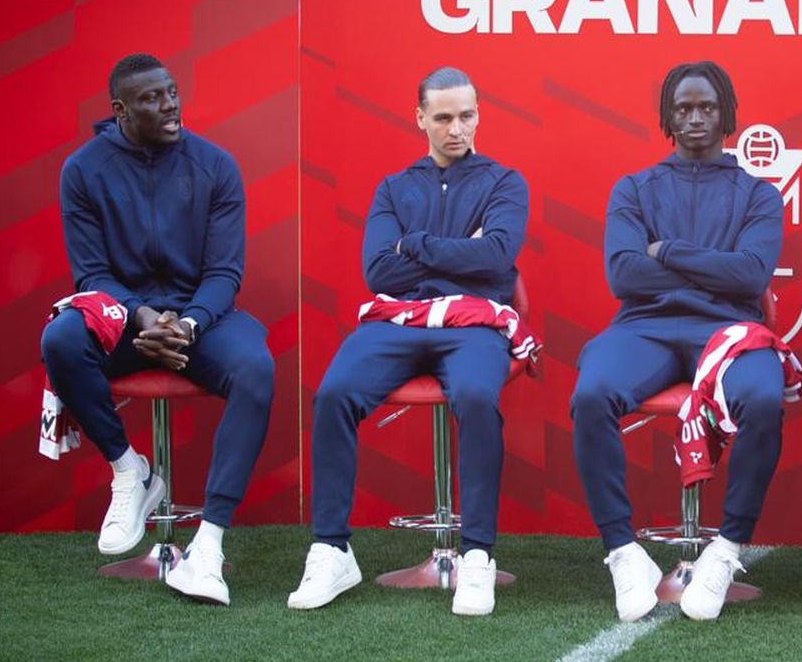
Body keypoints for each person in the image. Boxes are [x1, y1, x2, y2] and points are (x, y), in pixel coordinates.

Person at [287, 66, 528, 617]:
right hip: (397, 323)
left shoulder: (504, 182)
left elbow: (495, 260)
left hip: (473, 324)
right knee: (333, 394)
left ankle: (477, 556)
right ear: (420, 118)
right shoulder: (395, 187)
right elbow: (378, 272)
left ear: (478, 114)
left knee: (476, 399)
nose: (456, 129)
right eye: (443, 117)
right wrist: (454, 251)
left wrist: (414, 246)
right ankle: (331, 548)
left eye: (466, 116)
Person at [40, 53, 275, 606]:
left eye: (171, 92)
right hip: (124, 320)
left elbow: (224, 273)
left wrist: (187, 324)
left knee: (256, 367)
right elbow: (90, 273)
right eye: (152, 98)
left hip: (200, 319)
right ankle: (130, 471)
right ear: (120, 110)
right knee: (62, 339)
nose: (170, 104)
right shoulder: (82, 170)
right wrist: (142, 316)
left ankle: (209, 545)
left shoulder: (216, 165)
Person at [571, 61, 787, 623]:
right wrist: (715, 267)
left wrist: (665, 252)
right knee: (592, 394)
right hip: (645, 327)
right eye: (684, 108)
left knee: (764, 398)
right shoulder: (635, 188)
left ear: (728, 115)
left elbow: (750, 278)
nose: (695, 118)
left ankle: (726, 550)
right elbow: (623, 275)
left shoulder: (759, 194)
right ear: (667, 116)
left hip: (728, 331)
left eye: (707, 107)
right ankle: (623, 551)